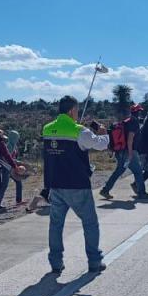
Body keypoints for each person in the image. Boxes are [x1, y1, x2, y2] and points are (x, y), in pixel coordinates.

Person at [42, 95, 110, 274]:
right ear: (72, 110)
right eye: (77, 111)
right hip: (77, 184)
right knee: (90, 223)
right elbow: (101, 145)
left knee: (56, 225)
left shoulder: (47, 129)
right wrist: (104, 133)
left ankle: (56, 263)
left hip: (55, 184)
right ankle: (94, 261)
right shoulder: (80, 131)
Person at [100, 104, 145, 198]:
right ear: (137, 112)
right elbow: (130, 138)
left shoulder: (125, 121)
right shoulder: (134, 121)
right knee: (138, 171)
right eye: (139, 111)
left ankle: (105, 190)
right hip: (128, 151)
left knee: (118, 171)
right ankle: (141, 193)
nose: (140, 113)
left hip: (120, 151)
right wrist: (130, 153)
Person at [6, 130, 25, 205]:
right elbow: (8, 158)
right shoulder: (9, 146)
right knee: (3, 185)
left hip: (13, 167)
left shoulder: (14, 146)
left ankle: (18, 200)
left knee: (19, 182)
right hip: (7, 168)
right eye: (16, 137)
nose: (17, 139)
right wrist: (18, 162)